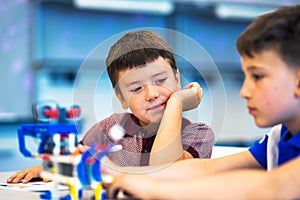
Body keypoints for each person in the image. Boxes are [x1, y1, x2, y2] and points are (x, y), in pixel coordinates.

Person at [105, 5, 300, 199]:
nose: (244, 92)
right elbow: (203, 170)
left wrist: (149, 188)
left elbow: (273, 187)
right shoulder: (278, 139)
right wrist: (120, 174)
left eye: (257, 76)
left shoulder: (198, 133)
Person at [7, 30, 214, 183]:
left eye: (160, 80)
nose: (151, 94)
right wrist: (48, 169)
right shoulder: (109, 129)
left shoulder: (197, 134)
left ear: (177, 80)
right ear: (121, 98)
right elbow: (75, 160)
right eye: (136, 89)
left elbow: (167, 172)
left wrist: (176, 103)